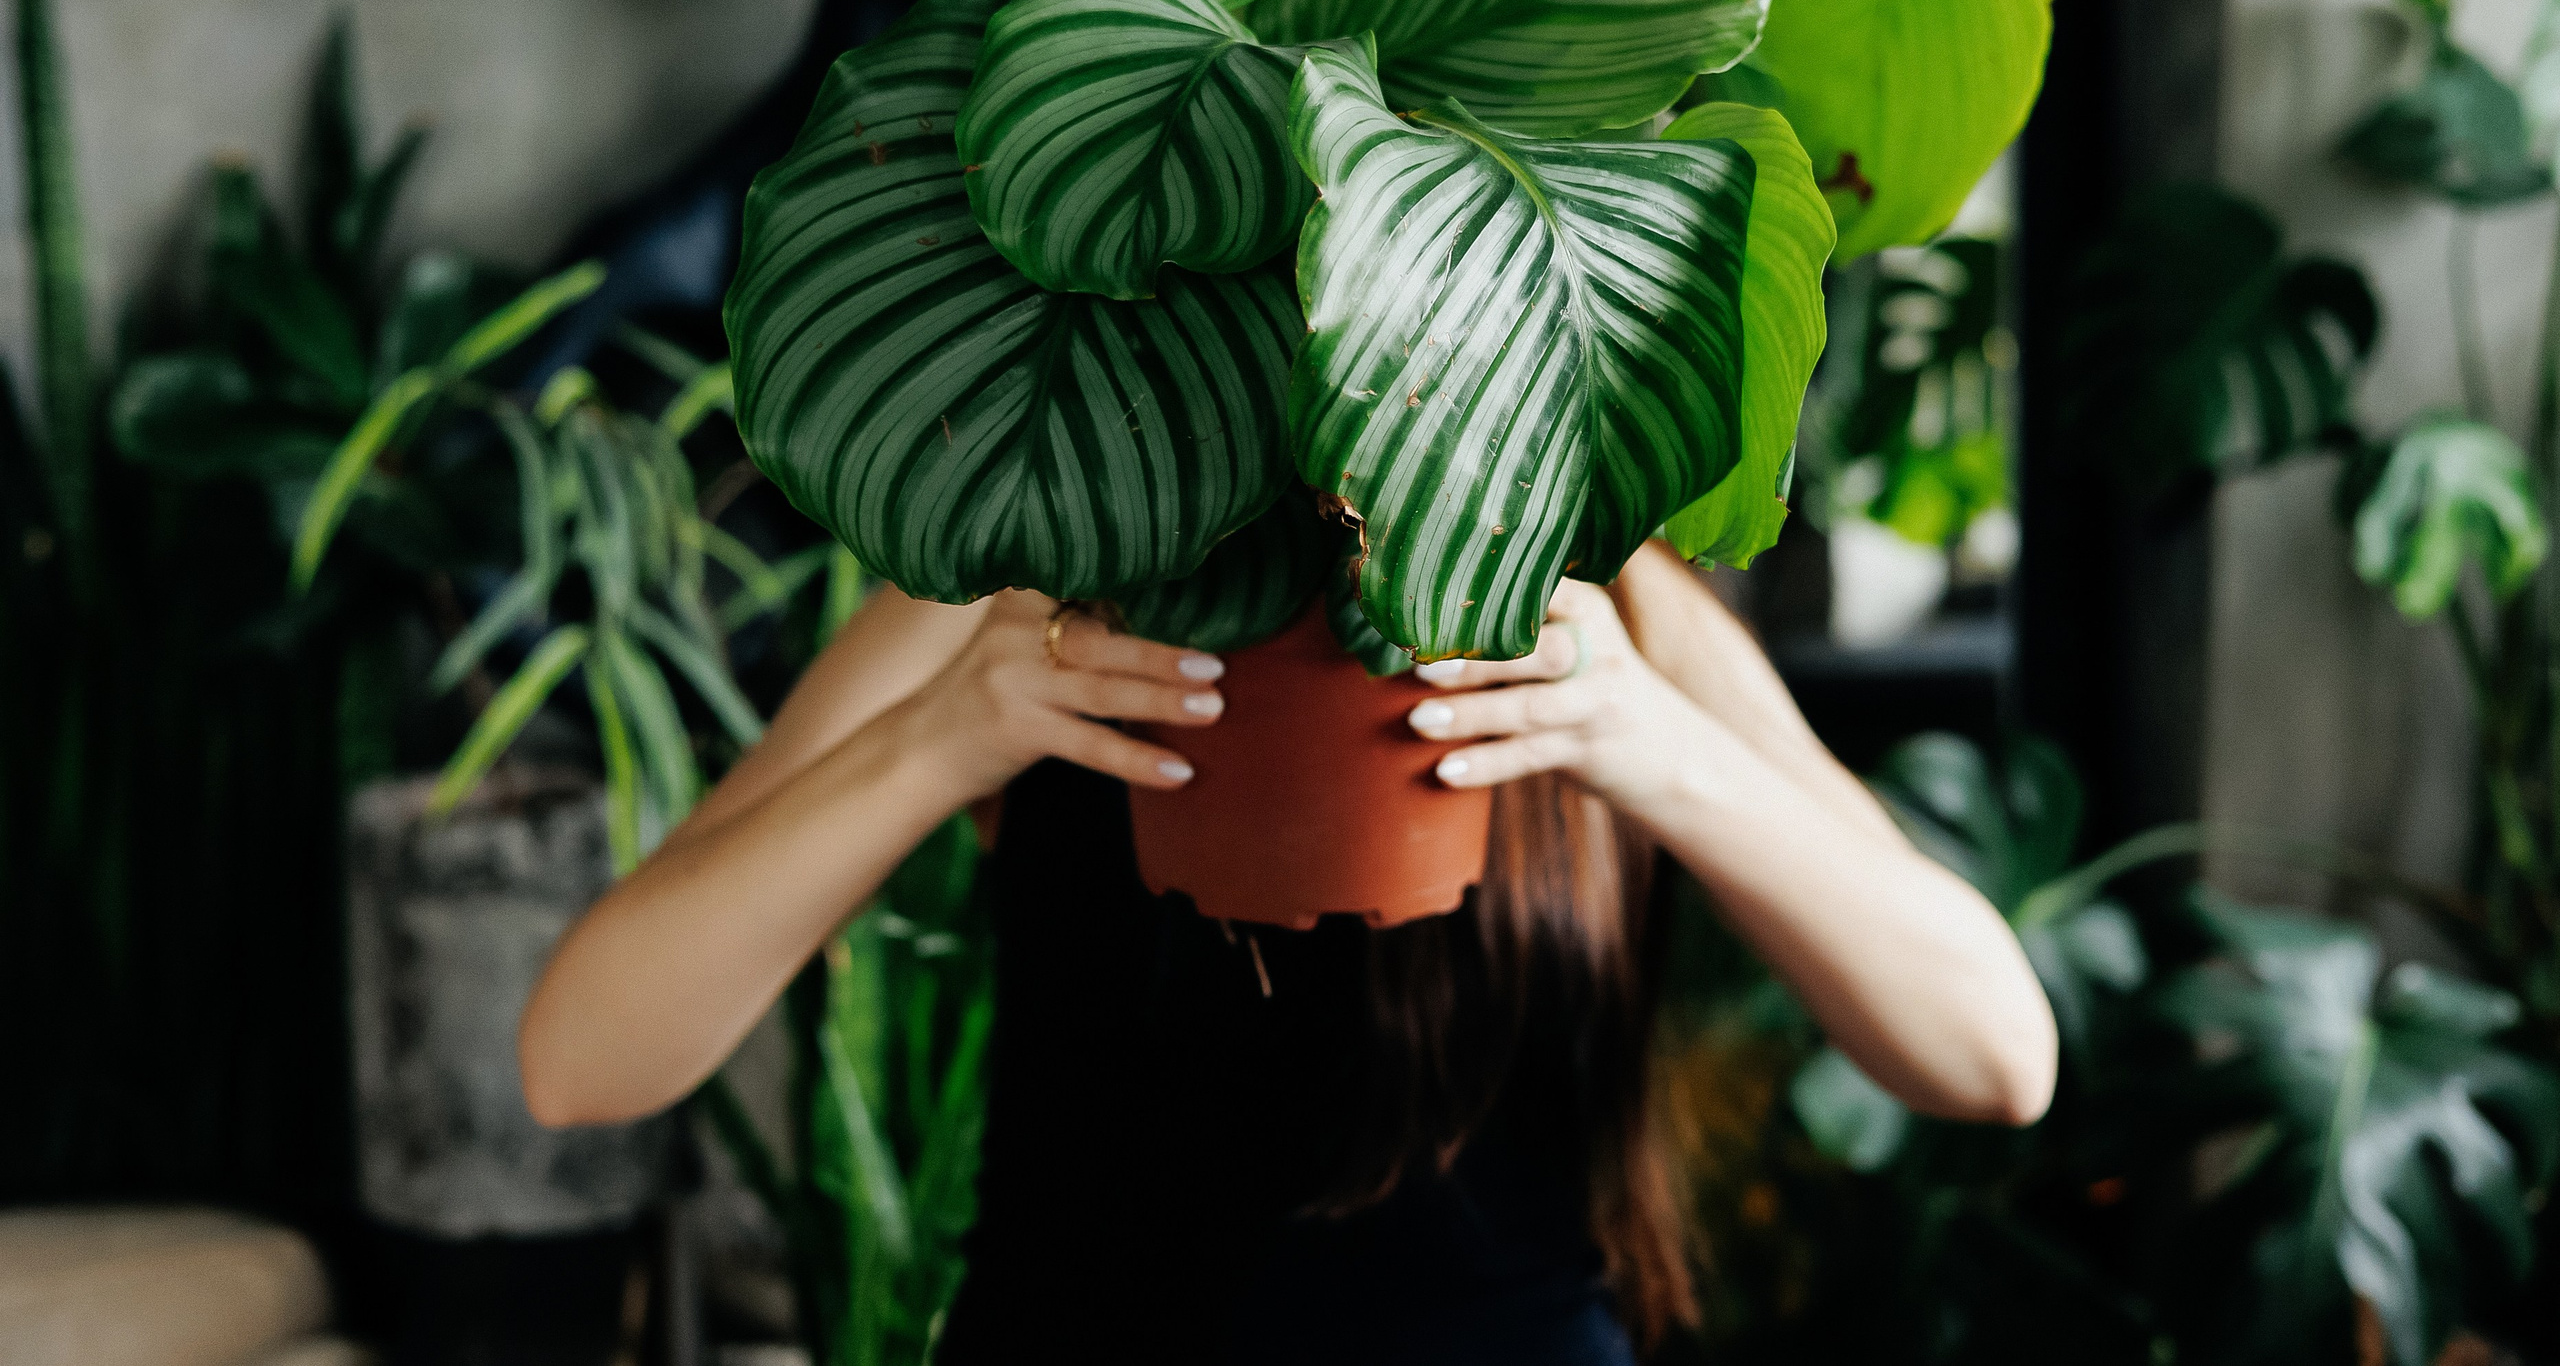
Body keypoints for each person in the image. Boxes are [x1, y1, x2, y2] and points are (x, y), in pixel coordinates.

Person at [521, 540, 2056, 1364]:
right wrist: (942, 738)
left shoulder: (1609, 594)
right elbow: (581, 1057)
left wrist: (1645, 743)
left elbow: (1996, 1052)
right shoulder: (1060, 562)